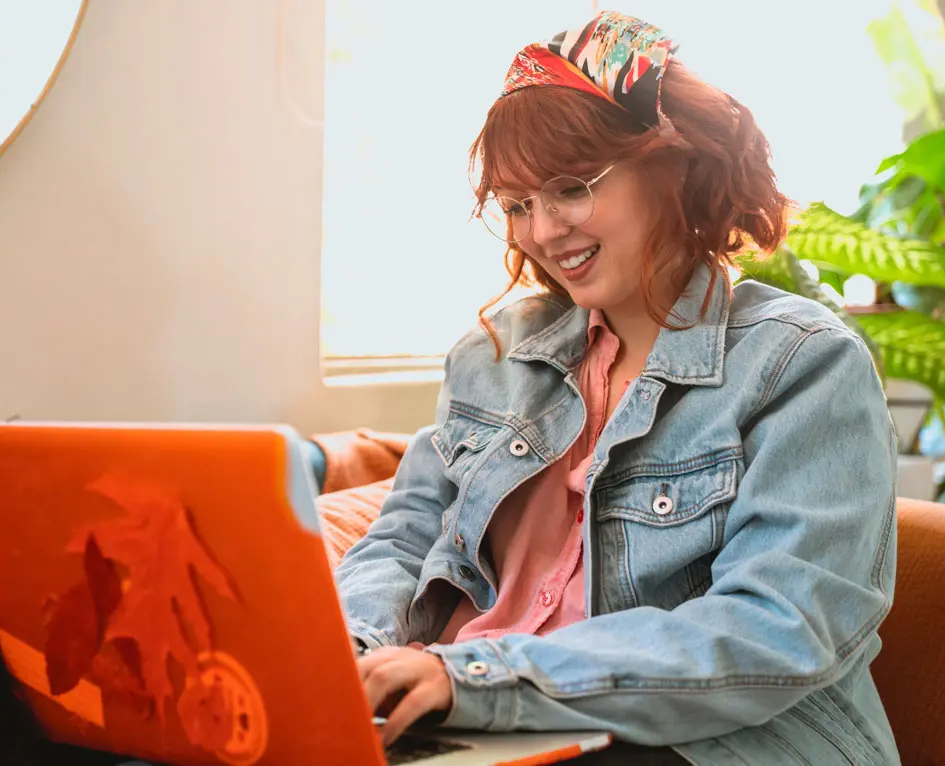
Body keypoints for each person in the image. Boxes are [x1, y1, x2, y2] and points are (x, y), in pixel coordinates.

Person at [335, 11, 900, 765]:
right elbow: (401, 539)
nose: (541, 230)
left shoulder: (802, 363)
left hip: (702, 744)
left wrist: (473, 677)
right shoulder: (492, 357)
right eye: (516, 204)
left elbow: (777, 628)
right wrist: (352, 654)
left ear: (674, 164)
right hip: (474, 724)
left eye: (570, 188)